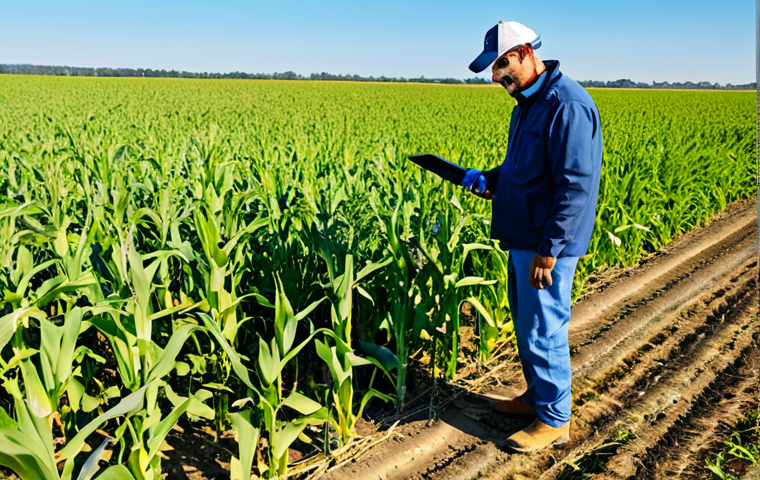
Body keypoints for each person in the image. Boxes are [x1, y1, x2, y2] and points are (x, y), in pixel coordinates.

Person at [462, 21, 603, 453]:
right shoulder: (527, 103)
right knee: (526, 325)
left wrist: (549, 251)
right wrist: (490, 179)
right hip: (524, 233)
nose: (496, 76)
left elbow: (575, 185)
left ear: (525, 53)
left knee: (543, 328)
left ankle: (555, 420)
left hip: (547, 243)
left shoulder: (567, 104)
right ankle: (536, 397)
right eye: (492, 68)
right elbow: (522, 167)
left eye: (502, 64)